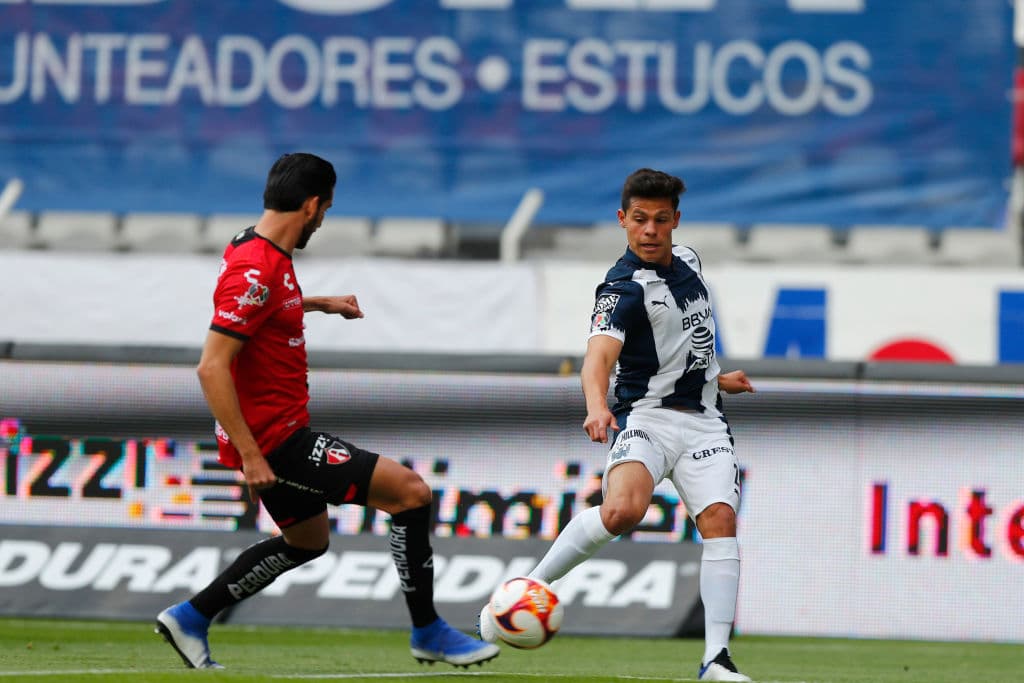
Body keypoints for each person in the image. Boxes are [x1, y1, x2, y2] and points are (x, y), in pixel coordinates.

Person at [155, 152, 499, 670]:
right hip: (277, 442)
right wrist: (251, 454)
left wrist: (317, 303)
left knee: (306, 540)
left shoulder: (252, 245)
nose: (323, 220)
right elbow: (211, 366)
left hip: (273, 434)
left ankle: (192, 616)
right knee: (411, 494)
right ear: (313, 204)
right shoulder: (257, 267)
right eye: (326, 210)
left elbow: (266, 305)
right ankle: (428, 631)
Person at [478, 168, 754, 682]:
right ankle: (523, 591)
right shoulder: (621, 290)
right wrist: (595, 405)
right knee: (623, 510)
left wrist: (718, 377)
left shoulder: (690, 262)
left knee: (720, 523)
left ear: (676, 221)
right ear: (622, 220)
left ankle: (715, 659)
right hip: (645, 416)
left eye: (661, 220)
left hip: (705, 422)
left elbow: (691, 341)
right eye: (640, 219)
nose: (649, 230)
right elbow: (596, 358)